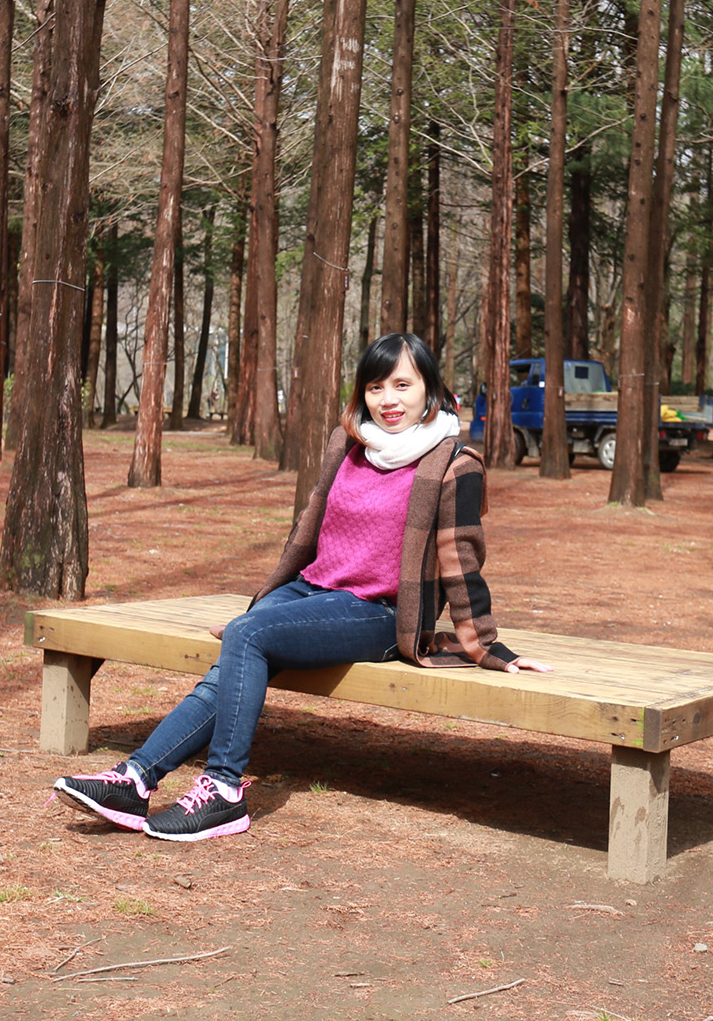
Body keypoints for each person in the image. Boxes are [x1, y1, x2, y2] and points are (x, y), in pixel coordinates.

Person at [53, 332, 552, 842]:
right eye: (376, 387)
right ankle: (135, 781)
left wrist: (488, 647)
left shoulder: (454, 463)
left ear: (430, 388)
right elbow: (309, 528)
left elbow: (461, 556)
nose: (388, 399)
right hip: (309, 591)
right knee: (238, 650)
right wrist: (265, 604)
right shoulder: (350, 444)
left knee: (246, 636)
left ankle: (222, 790)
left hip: (377, 612)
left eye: (403, 385)